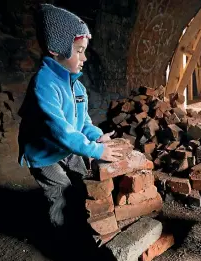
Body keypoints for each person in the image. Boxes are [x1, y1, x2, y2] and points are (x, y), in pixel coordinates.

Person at [17, 4, 122, 229]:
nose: (84, 58)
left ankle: (86, 221)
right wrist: (95, 150)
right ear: (57, 49)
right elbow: (61, 130)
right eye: (79, 50)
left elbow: (82, 121)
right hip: (44, 152)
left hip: (66, 146)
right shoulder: (44, 85)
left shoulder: (77, 87)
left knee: (84, 180)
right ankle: (63, 235)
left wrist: (97, 137)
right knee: (62, 191)